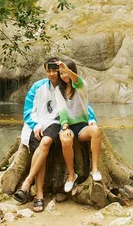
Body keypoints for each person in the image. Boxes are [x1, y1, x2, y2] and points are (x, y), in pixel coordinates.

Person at [13, 57, 62, 212]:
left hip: (54, 123)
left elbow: (82, 104)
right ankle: (39, 195)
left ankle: (27, 183)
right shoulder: (37, 86)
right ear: (45, 71)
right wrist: (35, 125)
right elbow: (28, 110)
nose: (52, 73)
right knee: (40, 152)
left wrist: (92, 119)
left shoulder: (66, 85)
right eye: (49, 70)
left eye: (55, 70)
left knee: (46, 142)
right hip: (37, 124)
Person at [55, 59, 102, 193]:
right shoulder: (59, 89)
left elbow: (77, 81)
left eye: (66, 73)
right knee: (65, 140)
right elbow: (62, 109)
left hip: (82, 125)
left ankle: (95, 169)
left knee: (96, 131)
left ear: (72, 72)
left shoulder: (81, 86)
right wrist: (64, 127)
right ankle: (71, 175)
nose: (64, 76)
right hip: (67, 125)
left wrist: (67, 71)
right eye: (61, 74)